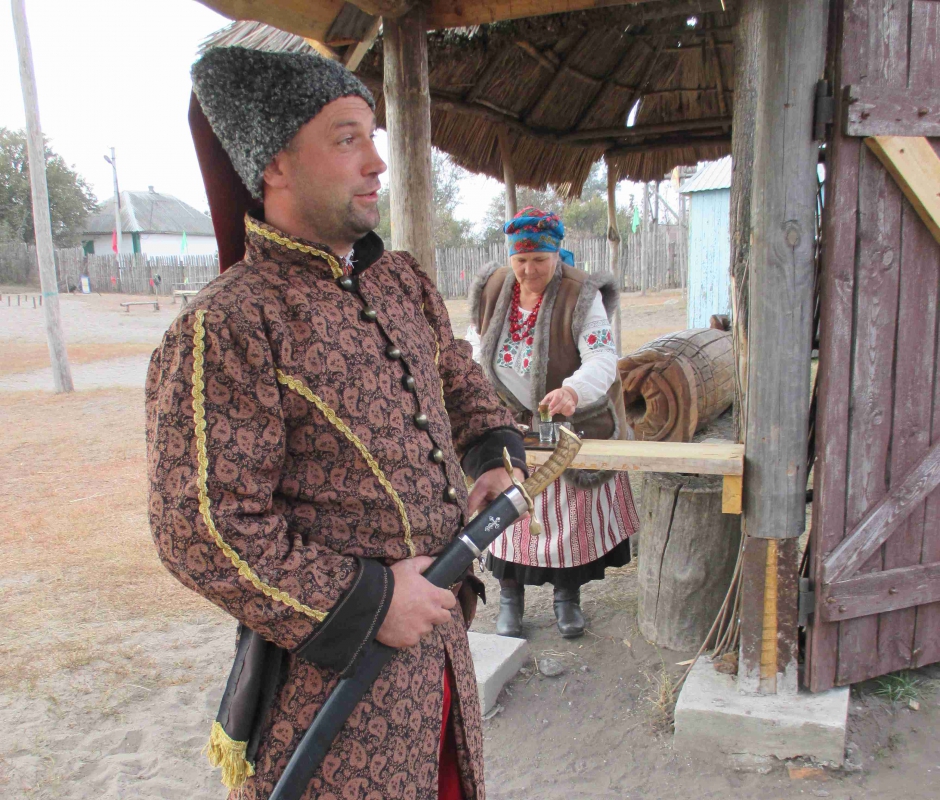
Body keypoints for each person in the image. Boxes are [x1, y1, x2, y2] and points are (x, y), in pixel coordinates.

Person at [146, 46, 527, 800]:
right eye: (346, 139)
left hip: (440, 664)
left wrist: (490, 452)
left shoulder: (398, 280)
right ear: (276, 164)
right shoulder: (230, 324)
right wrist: (371, 600)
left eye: (372, 138)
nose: (376, 163)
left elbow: (456, 377)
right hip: (332, 698)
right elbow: (201, 527)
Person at [467, 208, 639, 639]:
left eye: (540, 260)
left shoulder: (581, 294)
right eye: (521, 260)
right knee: (508, 512)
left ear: (557, 253)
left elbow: (602, 357)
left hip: (567, 424)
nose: (529, 270)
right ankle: (510, 597)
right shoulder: (493, 289)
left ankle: (567, 597)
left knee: (567, 520)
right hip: (508, 424)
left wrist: (572, 391)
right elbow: (475, 346)